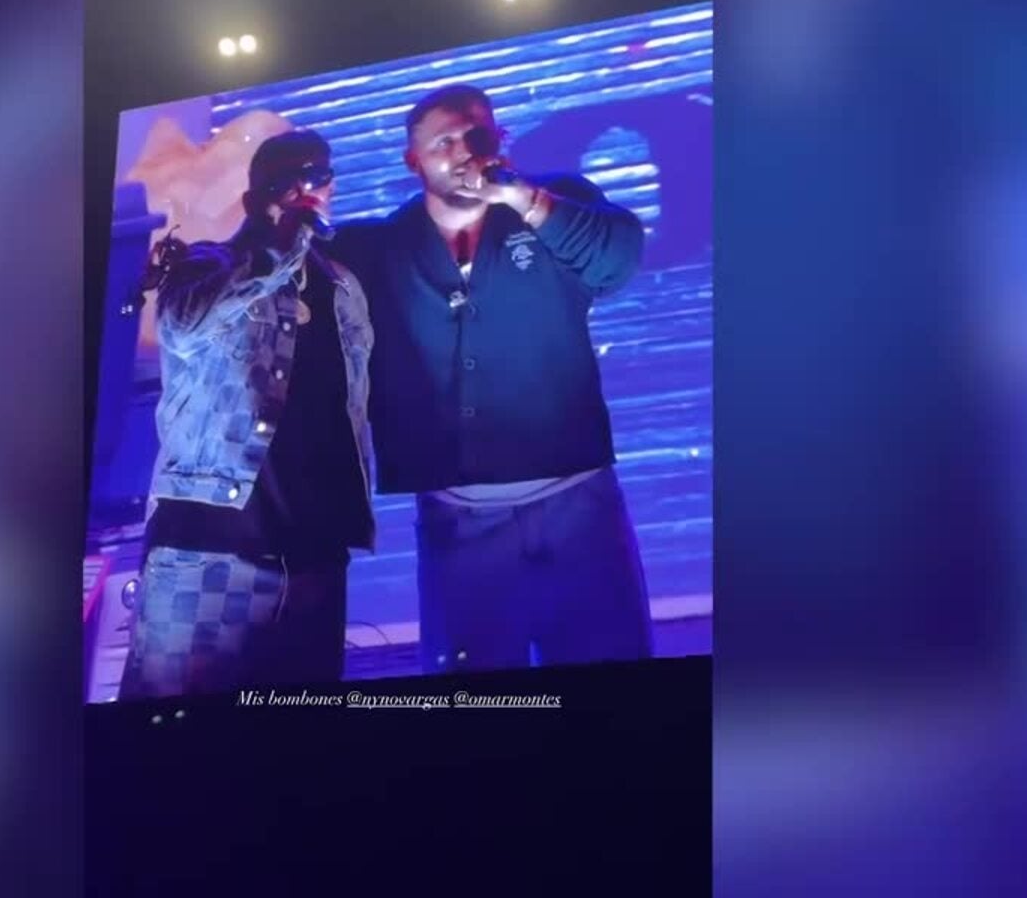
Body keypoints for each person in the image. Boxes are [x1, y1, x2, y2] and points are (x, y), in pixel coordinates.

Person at [329, 84, 654, 673]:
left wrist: (523, 197)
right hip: (459, 522)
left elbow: (618, 261)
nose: (463, 152)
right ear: (413, 160)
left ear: (500, 137)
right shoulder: (377, 249)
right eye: (444, 142)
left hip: (579, 504)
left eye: (477, 135)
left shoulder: (554, 206)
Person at [118, 129, 376, 699]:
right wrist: (279, 250)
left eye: (320, 176)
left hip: (314, 561)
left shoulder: (342, 287)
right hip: (208, 553)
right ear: (258, 197)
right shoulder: (207, 264)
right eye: (293, 180)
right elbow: (184, 325)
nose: (310, 189)